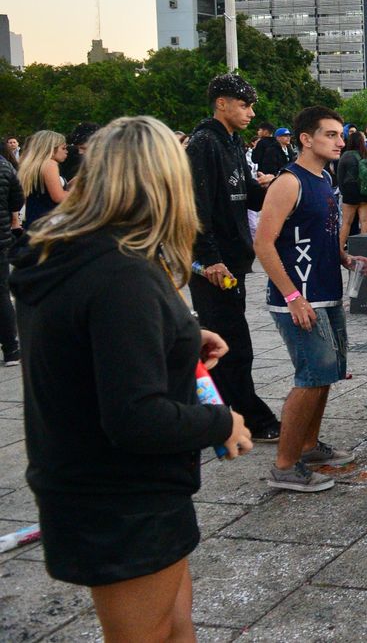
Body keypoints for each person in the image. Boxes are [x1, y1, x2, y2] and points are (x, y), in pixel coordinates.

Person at [11, 116, 252, 641]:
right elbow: (136, 417)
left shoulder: (70, 251)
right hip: (120, 497)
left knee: (177, 620)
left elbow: (89, 345)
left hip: (95, 482)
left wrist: (180, 334)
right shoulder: (120, 271)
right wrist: (221, 421)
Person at [255, 106, 364, 492]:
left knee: (327, 374)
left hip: (325, 291)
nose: (339, 141)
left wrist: (343, 256)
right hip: (299, 297)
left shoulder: (323, 177)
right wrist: (292, 296)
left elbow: (322, 231)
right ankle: (285, 465)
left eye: (340, 134)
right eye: (330, 135)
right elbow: (263, 243)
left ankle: (308, 445)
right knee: (311, 376)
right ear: (306, 139)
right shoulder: (288, 182)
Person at [186, 74, 281, 443]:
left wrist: (275, 186)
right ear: (221, 103)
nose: (250, 112)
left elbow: (247, 199)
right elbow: (196, 209)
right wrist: (209, 259)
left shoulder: (232, 141)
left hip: (234, 261)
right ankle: (244, 418)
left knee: (232, 341)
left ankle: (222, 415)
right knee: (230, 345)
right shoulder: (204, 143)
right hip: (214, 265)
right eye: (244, 105)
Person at [17, 129, 68, 229]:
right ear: (52, 149)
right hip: (48, 222)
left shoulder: (32, 165)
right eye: (63, 148)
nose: (66, 151)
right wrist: (84, 195)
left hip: (34, 219)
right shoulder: (49, 164)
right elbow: (58, 196)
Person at [0, 149, 22, 365]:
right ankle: (11, 348)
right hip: (1, 238)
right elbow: (17, 200)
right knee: (2, 293)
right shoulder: (5, 166)